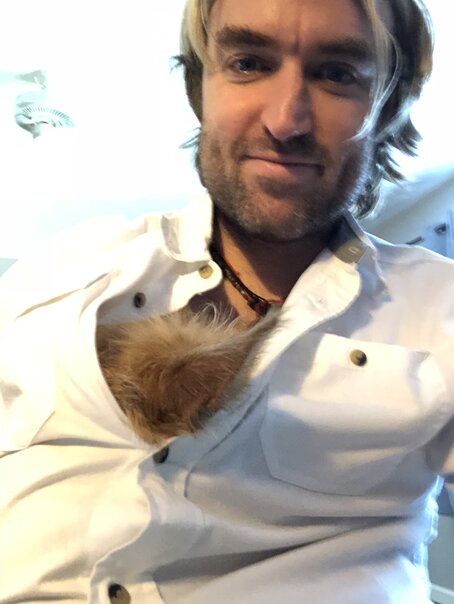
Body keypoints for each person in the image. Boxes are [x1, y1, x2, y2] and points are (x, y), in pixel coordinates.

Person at [0, 0, 453, 602]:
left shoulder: (438, 307)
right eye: (248, 63)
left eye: (337, 74)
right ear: (200, 88)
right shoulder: (63, 269)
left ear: (387, 108)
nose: (286, 122)